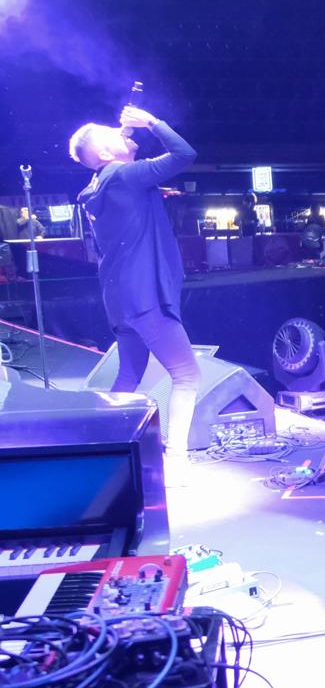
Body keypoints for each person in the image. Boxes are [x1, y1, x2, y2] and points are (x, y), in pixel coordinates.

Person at [70, 106, 200, 450]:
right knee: (187, 376)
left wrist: (125, 136)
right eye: (111, 132)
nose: (121, 130)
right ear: (103, 153)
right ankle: (178, 462)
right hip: (145, 296)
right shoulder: (124, 176)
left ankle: (101, 447)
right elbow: (184, 154)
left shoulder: (97, 187)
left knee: (128, 376)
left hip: (120, 298)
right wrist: (151, 122)